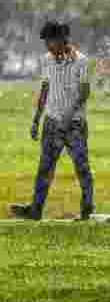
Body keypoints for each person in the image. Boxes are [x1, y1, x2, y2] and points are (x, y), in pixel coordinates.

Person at [11, 21, 95, 221]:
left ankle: (86, 208)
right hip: (51, 121)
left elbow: (84, 93)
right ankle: (35, 210)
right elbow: (45, 90)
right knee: (45, 168)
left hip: (74, 124)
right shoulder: (47, 60)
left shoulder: (81, 61)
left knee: (81, 167)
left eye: (50, 41)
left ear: (61, 40)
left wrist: (68, 116)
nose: (47, 46)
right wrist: (36, 119)